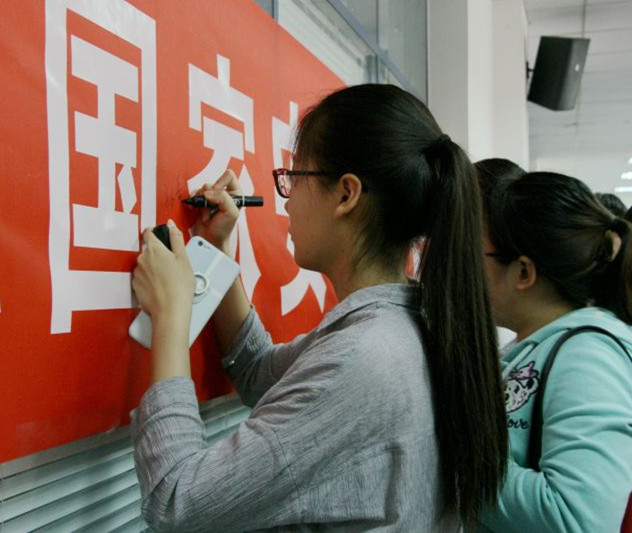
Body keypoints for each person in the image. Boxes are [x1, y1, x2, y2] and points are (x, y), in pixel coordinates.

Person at [130, 84, 508, 531]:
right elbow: (258, 372)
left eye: (295, 177)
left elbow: (178, 500)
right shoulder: (407, 325)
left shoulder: (363, 357)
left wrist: (172, 317)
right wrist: (216, 250)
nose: (287, 199)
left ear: (346, 195)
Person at [477, 171, 632, 532]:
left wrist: (459, 462)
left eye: (476, 254)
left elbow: (578, 518)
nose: (468, 269)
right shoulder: (538, 345)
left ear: (523, 272)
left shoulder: (588, 356)